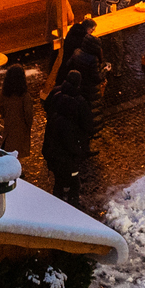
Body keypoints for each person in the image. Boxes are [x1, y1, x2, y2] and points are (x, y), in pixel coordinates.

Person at [42, 72, 91, 203]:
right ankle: (71, 206)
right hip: (70, 157)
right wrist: (81, 149)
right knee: (74, 183)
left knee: (58, 182)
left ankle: (57, 204)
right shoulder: (80, 103)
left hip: (55, 155)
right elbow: (87, 125)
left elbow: (46, 106)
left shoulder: (56, 99)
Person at [0, 64, 32, 157]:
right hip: (21, 127)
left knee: (9, 147)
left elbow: (1, 108)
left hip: (9, 125)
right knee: (18, 150)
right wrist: (29, 125)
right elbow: (28, 113)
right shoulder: (25, 95)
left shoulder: (3, 93)